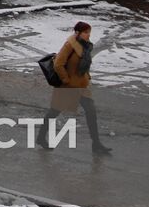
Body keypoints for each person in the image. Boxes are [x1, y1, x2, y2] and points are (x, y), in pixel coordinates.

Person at [39, 21, 112, 155]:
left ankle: (96, 144)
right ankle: (40, 137)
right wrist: (66, 80)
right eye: (85, 32)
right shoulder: (70, 45)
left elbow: (84, 64)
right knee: (54, 112)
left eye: (89, 32)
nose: (88, 35)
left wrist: (87, 76)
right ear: (77, 33)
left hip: (82, 86)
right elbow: (58, 64)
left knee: (91, 112)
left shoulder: (85, 46)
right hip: (69, 87)